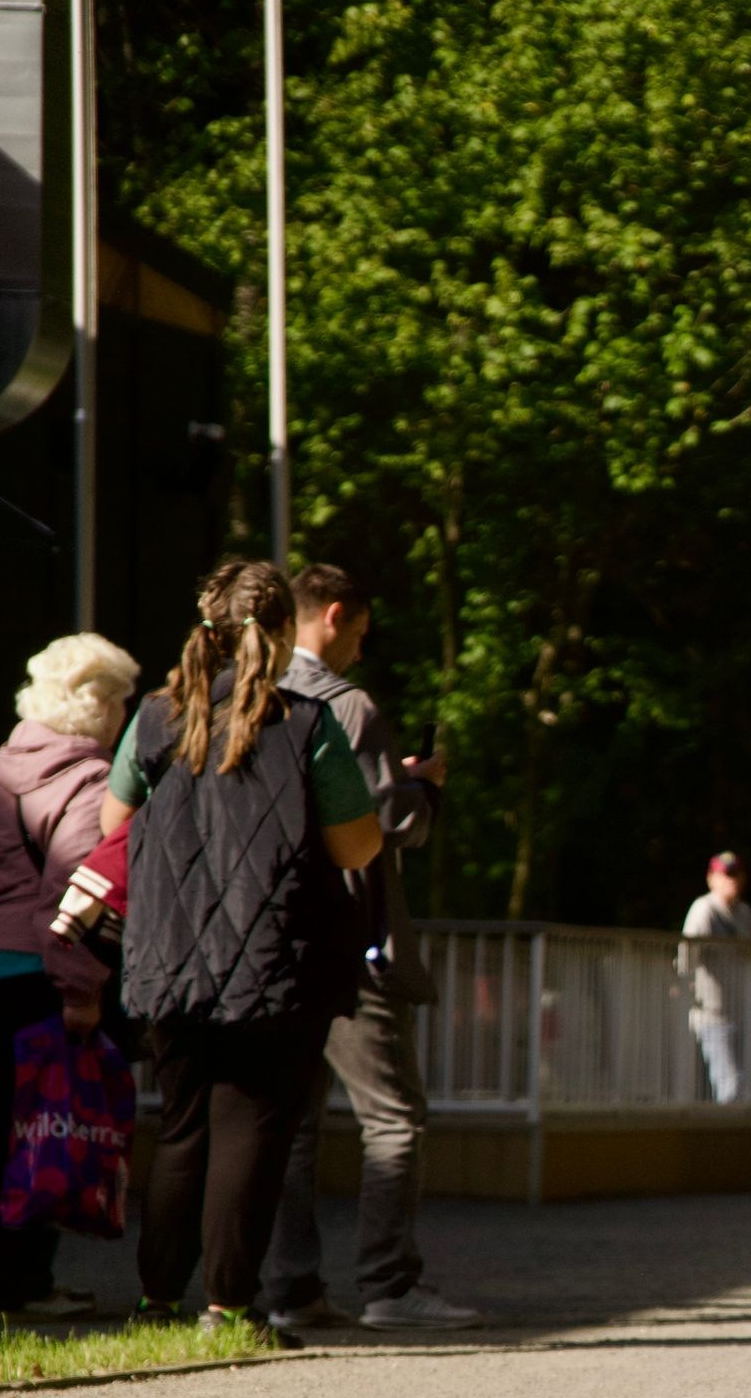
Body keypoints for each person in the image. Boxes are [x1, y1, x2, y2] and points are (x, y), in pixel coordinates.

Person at [104, 560, 384, 1344]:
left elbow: (110, 819)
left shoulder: (159, 718)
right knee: (252, 1130)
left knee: (183, 1125)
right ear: (285, 631)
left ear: (208, 626)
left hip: (169, 953)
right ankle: (229, 1306)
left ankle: (157, 1301)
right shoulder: (304, 725)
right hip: (274, 959)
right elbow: (358, 845)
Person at [258, 565, 481, 1333]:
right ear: (335, 615)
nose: (360, 645)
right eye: (359, 630)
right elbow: (385, 821)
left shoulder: (252, 696)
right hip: (352, 940)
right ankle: (390, 1281)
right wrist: (423, 788)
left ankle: (291, 1286)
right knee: (394, 1114)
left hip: (272, 940)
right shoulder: (347, 706)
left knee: (294, 1119)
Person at [0, 634, 138, 1322]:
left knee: (13, 1127)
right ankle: (20, 1283)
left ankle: (14, 1281)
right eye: (121, 702)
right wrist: (82, 990)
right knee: (50, 1126)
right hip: (39, 974)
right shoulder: (90, 782)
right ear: (102, 706)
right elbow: (75, 895)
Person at [680, 852, 751, 1103]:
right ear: (711, 878)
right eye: (726, 875)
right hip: (712, 1013)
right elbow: (686, 954)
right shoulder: (704, 909)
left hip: (742, 1013)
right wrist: (686, 988)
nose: (731, 880)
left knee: (746, 1088)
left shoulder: (745, 914)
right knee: (730, 1086)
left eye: (736, 874)